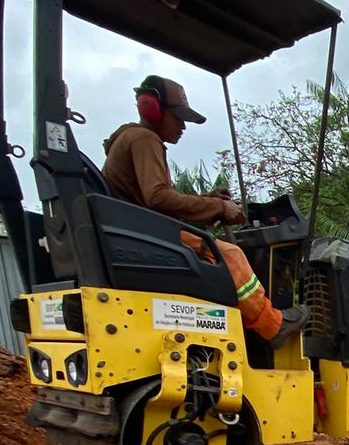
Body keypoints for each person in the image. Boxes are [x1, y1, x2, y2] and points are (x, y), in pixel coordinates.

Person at [102, 74, 297, 344]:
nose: (183, 126)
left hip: (137, 230)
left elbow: (156, 198)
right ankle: (272, 326)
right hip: (145, 237)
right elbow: (157, 198)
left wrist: (209, 201)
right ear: (153, 109)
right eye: (178, 117)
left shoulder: (131, 139)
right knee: (231, 255)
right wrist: (218, 207)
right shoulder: (144, 139)